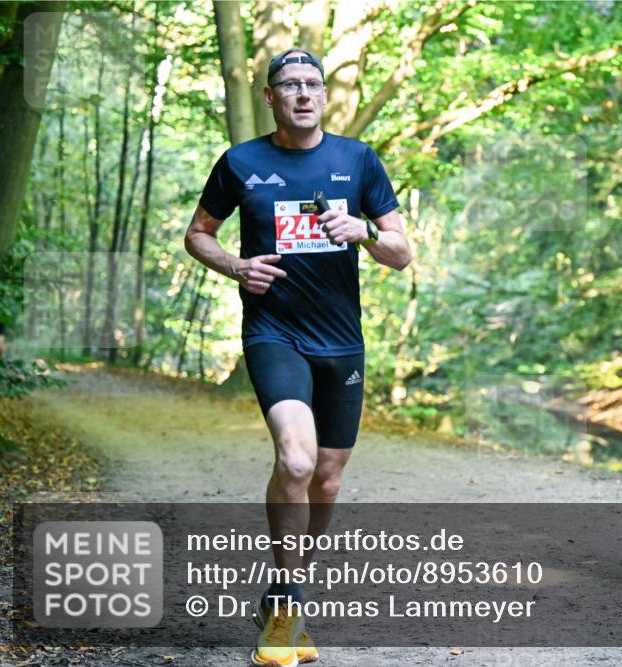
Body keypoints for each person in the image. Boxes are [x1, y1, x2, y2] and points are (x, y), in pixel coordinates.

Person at [185, 48, 412, 666]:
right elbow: (198, 233)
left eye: (313, 84)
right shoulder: (241, 162)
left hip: (341, 342)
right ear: (270, 97)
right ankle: (287, 605)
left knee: (327, 478)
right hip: (274, 333)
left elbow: (402, 252)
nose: (304, 94)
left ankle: (285, 590)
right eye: (290, 85)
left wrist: (366, 232)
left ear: (325, 95)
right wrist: (236, 266)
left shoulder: (358, 160)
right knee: (295, 460)